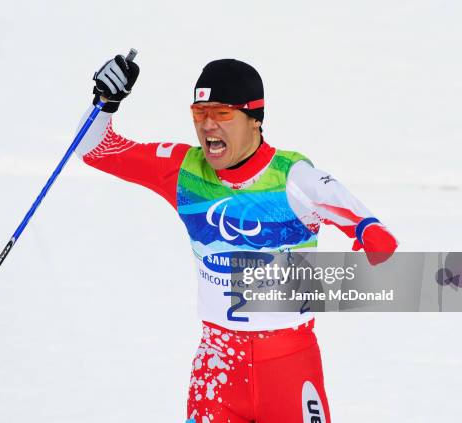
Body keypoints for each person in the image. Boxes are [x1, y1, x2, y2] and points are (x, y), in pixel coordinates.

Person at [75, 54, 398, 423]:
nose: (208, 125)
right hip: (217, 367)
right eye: (200, 113)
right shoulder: (183, 171)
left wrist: (369, 231)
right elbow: (95, 149)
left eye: (222, 113)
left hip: (289, 367)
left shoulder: (291, 176)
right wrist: (105, 101)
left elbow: (351, 212)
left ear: (254, 119)